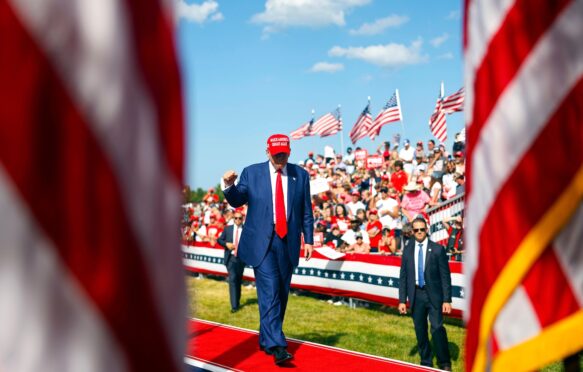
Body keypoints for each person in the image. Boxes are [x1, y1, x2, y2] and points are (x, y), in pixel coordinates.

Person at [222, 134, 314, 365]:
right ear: (267, 152)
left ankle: (266, 339)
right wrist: (229, 185)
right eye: (276, 153)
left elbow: (306, 211)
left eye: (284, 153)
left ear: (290, 151)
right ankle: (277, 346)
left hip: (288, 240)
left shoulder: (300, 175)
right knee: (270, 290)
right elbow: (237, 201)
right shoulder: (252, 173)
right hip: (261, 242)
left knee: (281, 293)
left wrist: (309, 240)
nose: (280, 157)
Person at [398, 217, 452, 371]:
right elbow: (403, 276)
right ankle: (426, 362)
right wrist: (402, 300)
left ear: (427, 230)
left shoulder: (437, 249)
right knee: (420, 330)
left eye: (422, 229)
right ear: (412, 231)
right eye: (416, 230)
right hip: (416, 295)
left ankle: (444, 363)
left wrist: (447, 300)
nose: (420, 232)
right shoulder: (408, 250)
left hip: (434, 295)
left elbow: (445, 277)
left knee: (436, 328)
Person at [217, 211, 246, 313]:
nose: (238, 220)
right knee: (233, 279)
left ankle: (236, 301)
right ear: (233, 219)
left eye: (240, 218)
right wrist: (226, 244)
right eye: (236, 218)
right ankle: (234, 306)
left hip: (241, 259)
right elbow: (219, 240)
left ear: (243, 219)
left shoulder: (246, 230)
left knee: (238, 280)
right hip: (231, 258)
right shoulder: (228, 229)